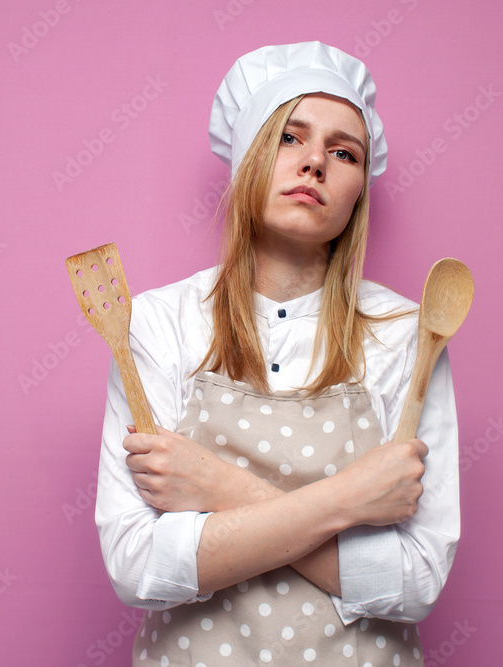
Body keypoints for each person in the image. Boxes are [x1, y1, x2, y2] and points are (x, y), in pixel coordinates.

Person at [95, 41, 459, 666]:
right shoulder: (155, 323)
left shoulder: (408, 333)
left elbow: (415, 582)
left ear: (358, 191)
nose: (314, 161)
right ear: (248, 158)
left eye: (344, 152)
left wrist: (216, 487)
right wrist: (350, 499)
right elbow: (139, 568)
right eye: (290, 137)